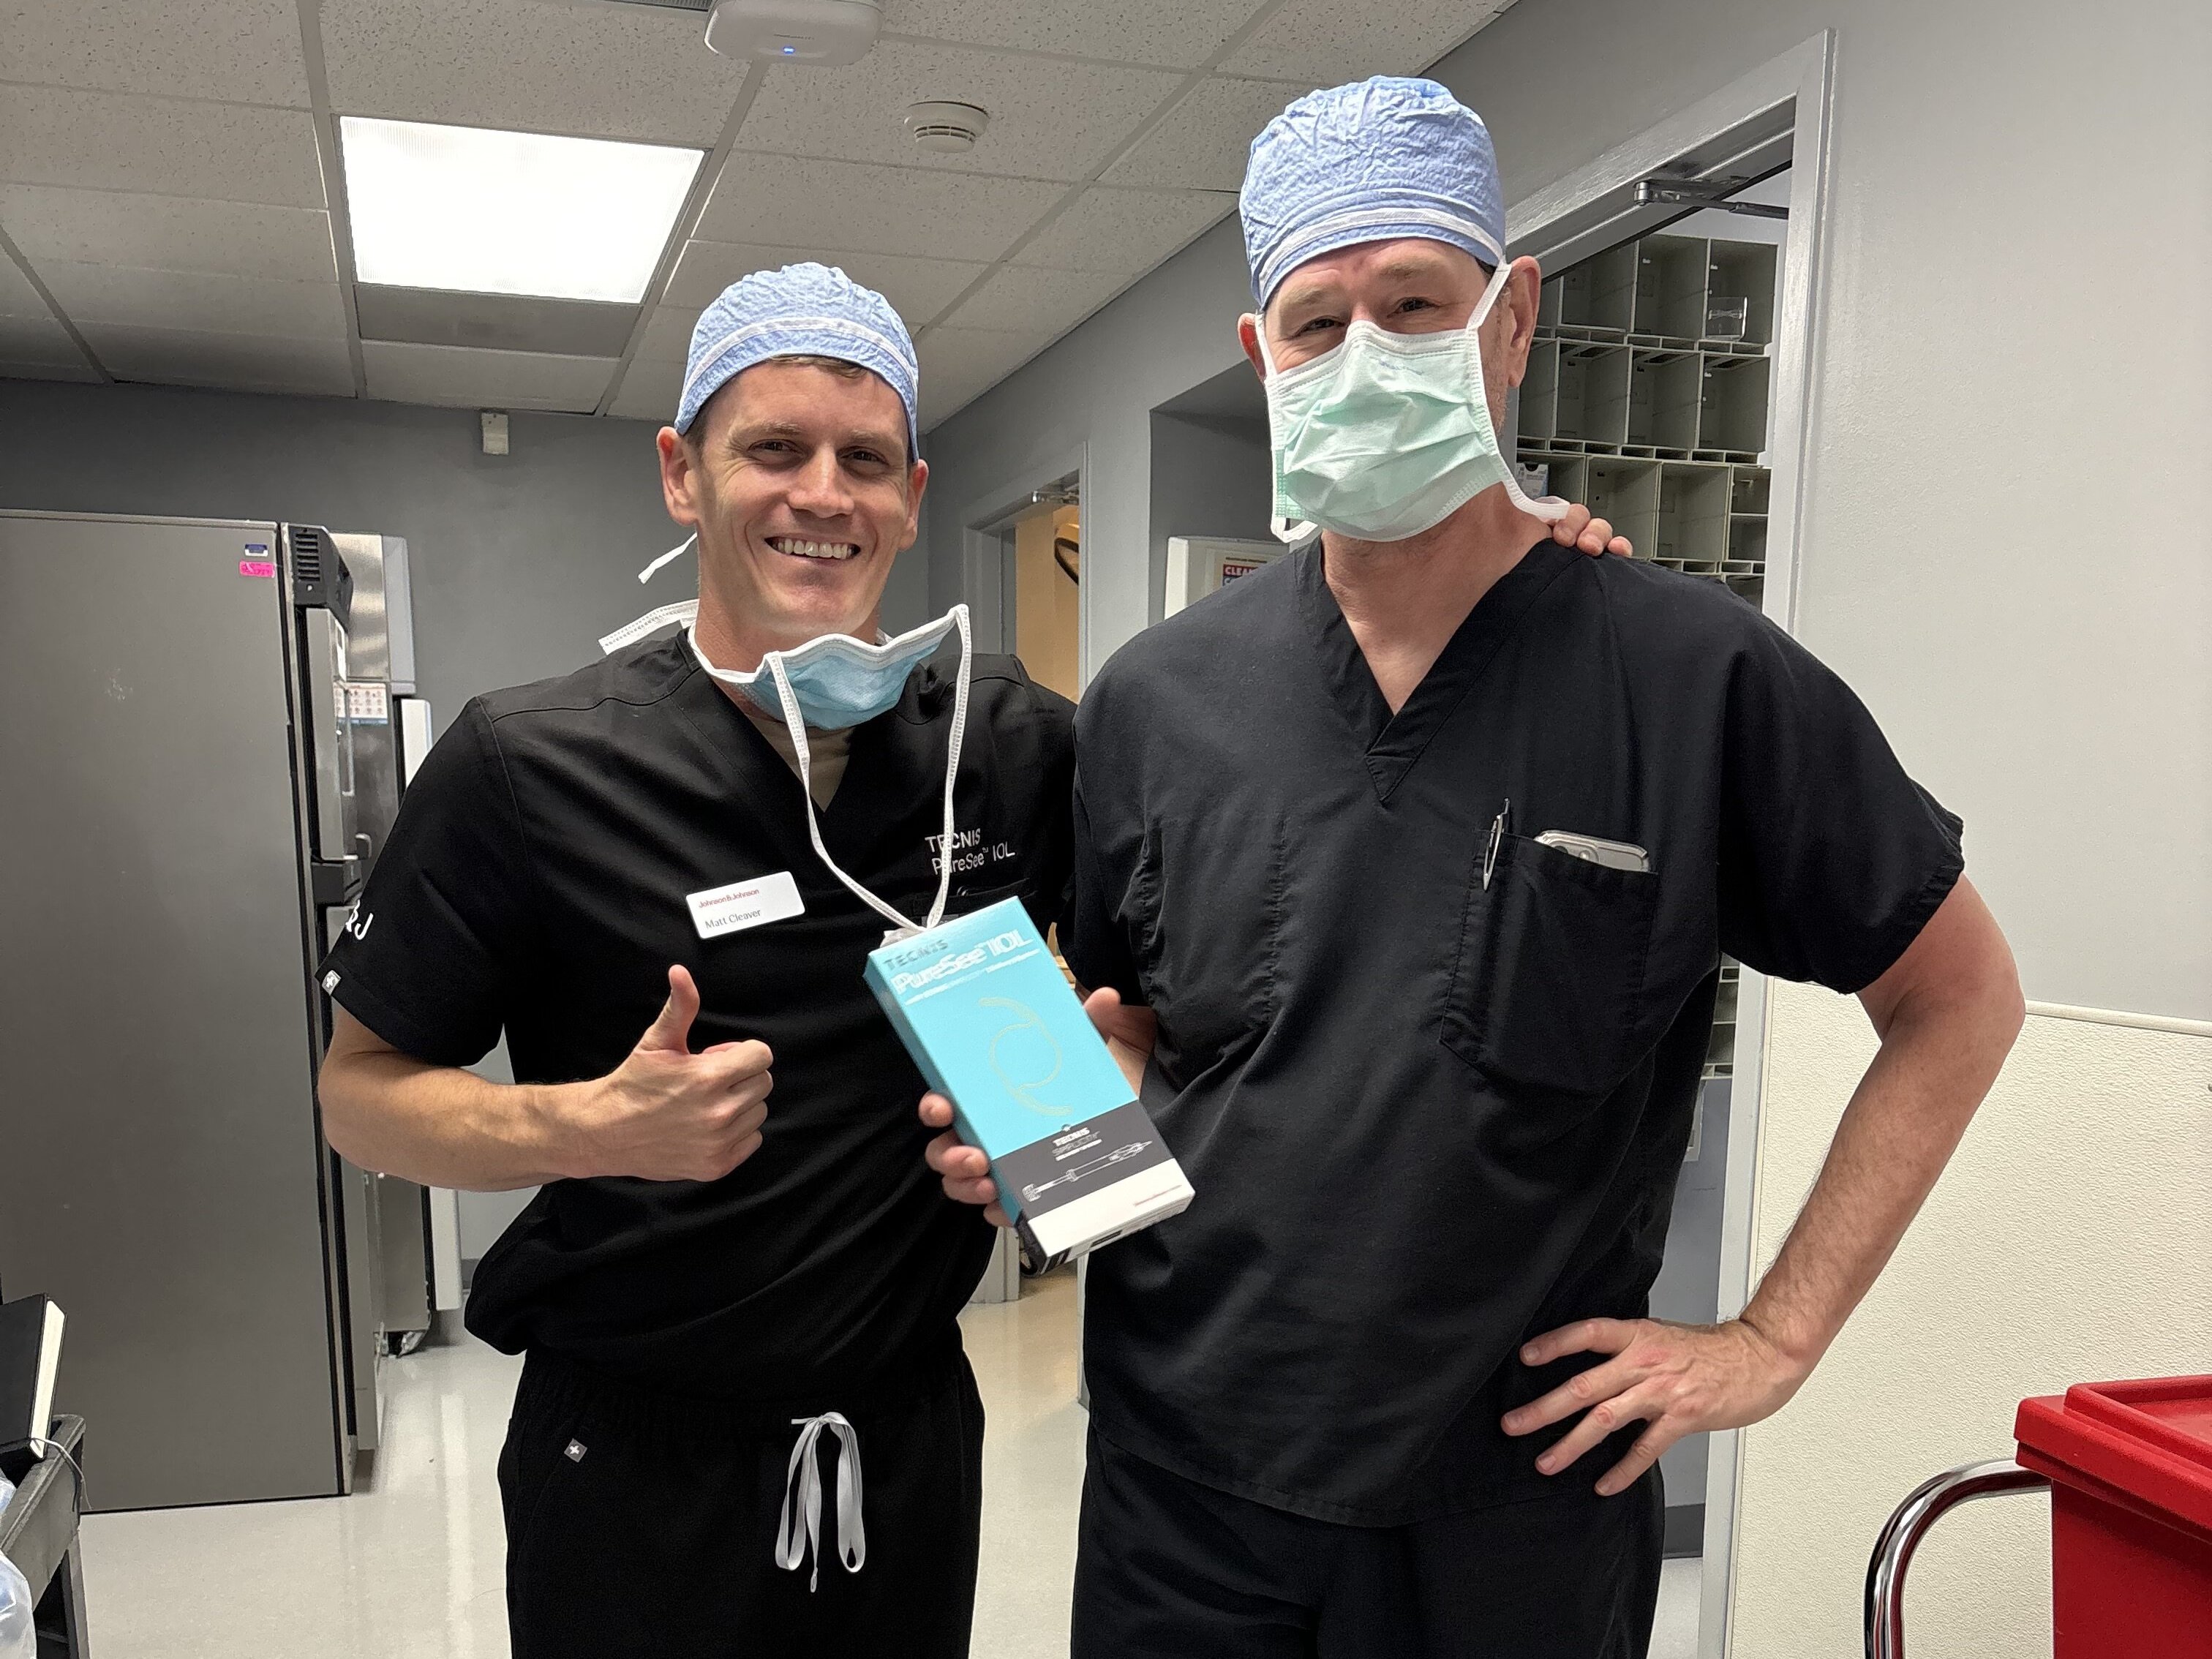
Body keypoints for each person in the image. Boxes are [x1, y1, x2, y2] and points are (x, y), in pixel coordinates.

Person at [925, 78, 2025, 1658]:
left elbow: (1961, 1000)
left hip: (1517, 1509)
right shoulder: (1158, 699)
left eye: (1415, 304)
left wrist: (1773, 1341)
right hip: (1187, 1489)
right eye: (1317, 323)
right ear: (1262, 356)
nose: (1365, 353)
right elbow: (1144, 1029)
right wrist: (1043, 1124)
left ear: (1511, 322)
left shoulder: (1696, 678)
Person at [314, 263, 1078, 1656]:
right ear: (681, 474)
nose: (823, 495)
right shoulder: (529, 766)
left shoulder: (1009, 746)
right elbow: (358, 1094)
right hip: (634, 1466)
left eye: (865, 460)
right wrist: (590, 1126)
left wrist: (1052, 1121)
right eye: (773, 449)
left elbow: (1126, 1008)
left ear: (914, 492)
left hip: (907, 1441)